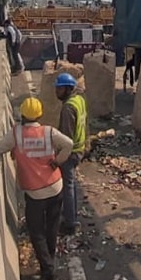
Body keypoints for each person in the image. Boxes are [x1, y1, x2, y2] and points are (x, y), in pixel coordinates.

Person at [0, 97, 73, 280]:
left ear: (22, 115)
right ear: (40, 114)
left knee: (36, 232)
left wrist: (15, 150)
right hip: (55, 186)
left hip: (35, 192)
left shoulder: (17, 135)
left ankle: (49, 274)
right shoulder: (48, 132)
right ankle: (50, 261)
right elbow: (69, 144)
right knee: (51, 227)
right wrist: (57, 161)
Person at [55, 72, 88, 233]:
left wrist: (58, 158)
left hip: (71, 152)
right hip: (79, 149)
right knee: (72, 184)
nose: (57, 92)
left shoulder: (68, 108)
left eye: (59, 89)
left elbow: (66, 138)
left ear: (67, 89)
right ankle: (72, 214)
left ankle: (70, 223)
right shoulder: (79, 101)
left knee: (67, 186)